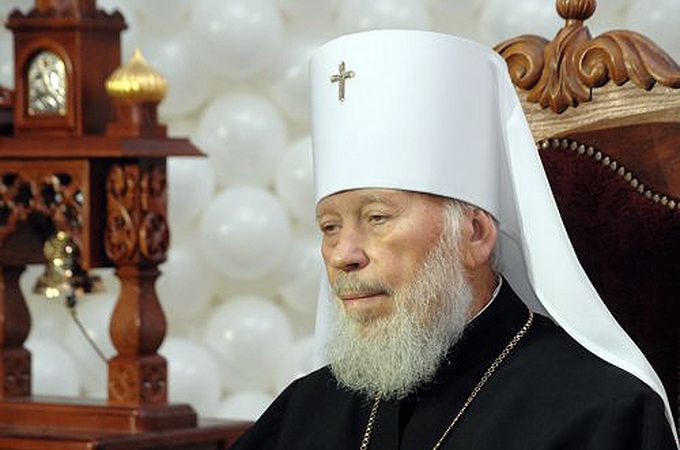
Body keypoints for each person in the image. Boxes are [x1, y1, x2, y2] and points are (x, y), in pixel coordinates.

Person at [230, 30, 678, 449]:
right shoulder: (306, 408)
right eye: (329, 227)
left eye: (377, 217)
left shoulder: (604, 414)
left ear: (474, 235)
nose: (343, 254)